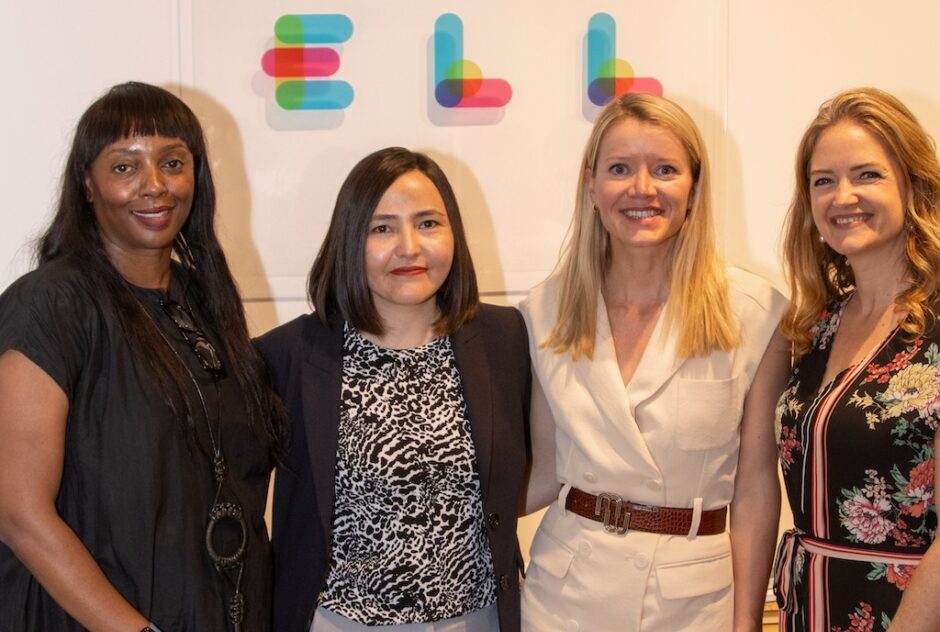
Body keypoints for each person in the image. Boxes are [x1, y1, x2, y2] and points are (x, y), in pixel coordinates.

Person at [0, 81, 288, 631]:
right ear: (87, 184)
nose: (154, 186)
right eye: (125, 167)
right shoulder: (50, 305)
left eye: (173, 163)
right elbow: (18, 512)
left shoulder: (205, 302)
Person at [519, 92, 789, 631]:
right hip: (564, 596)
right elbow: (545, 468)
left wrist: (746, 622)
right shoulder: (544, 311)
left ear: (694, 187)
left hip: (693, 604)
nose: (642, 189)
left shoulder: (756, 313)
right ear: (591, 185)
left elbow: (756, 488)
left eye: (665, 169)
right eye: (620, 169)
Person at [257, 147, 530, 632]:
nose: (409, 246)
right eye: (381, 228)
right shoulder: (288, 356)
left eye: (428, 223)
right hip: (340, 622)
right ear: (348, 240)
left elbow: (527, 473)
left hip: (479, 619)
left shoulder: (504, 338)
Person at [774, 87, 940, 631]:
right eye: (824, 181)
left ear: (912, 184)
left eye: (867, 175)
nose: (843, 195)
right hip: (808, 611)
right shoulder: (815, 327)